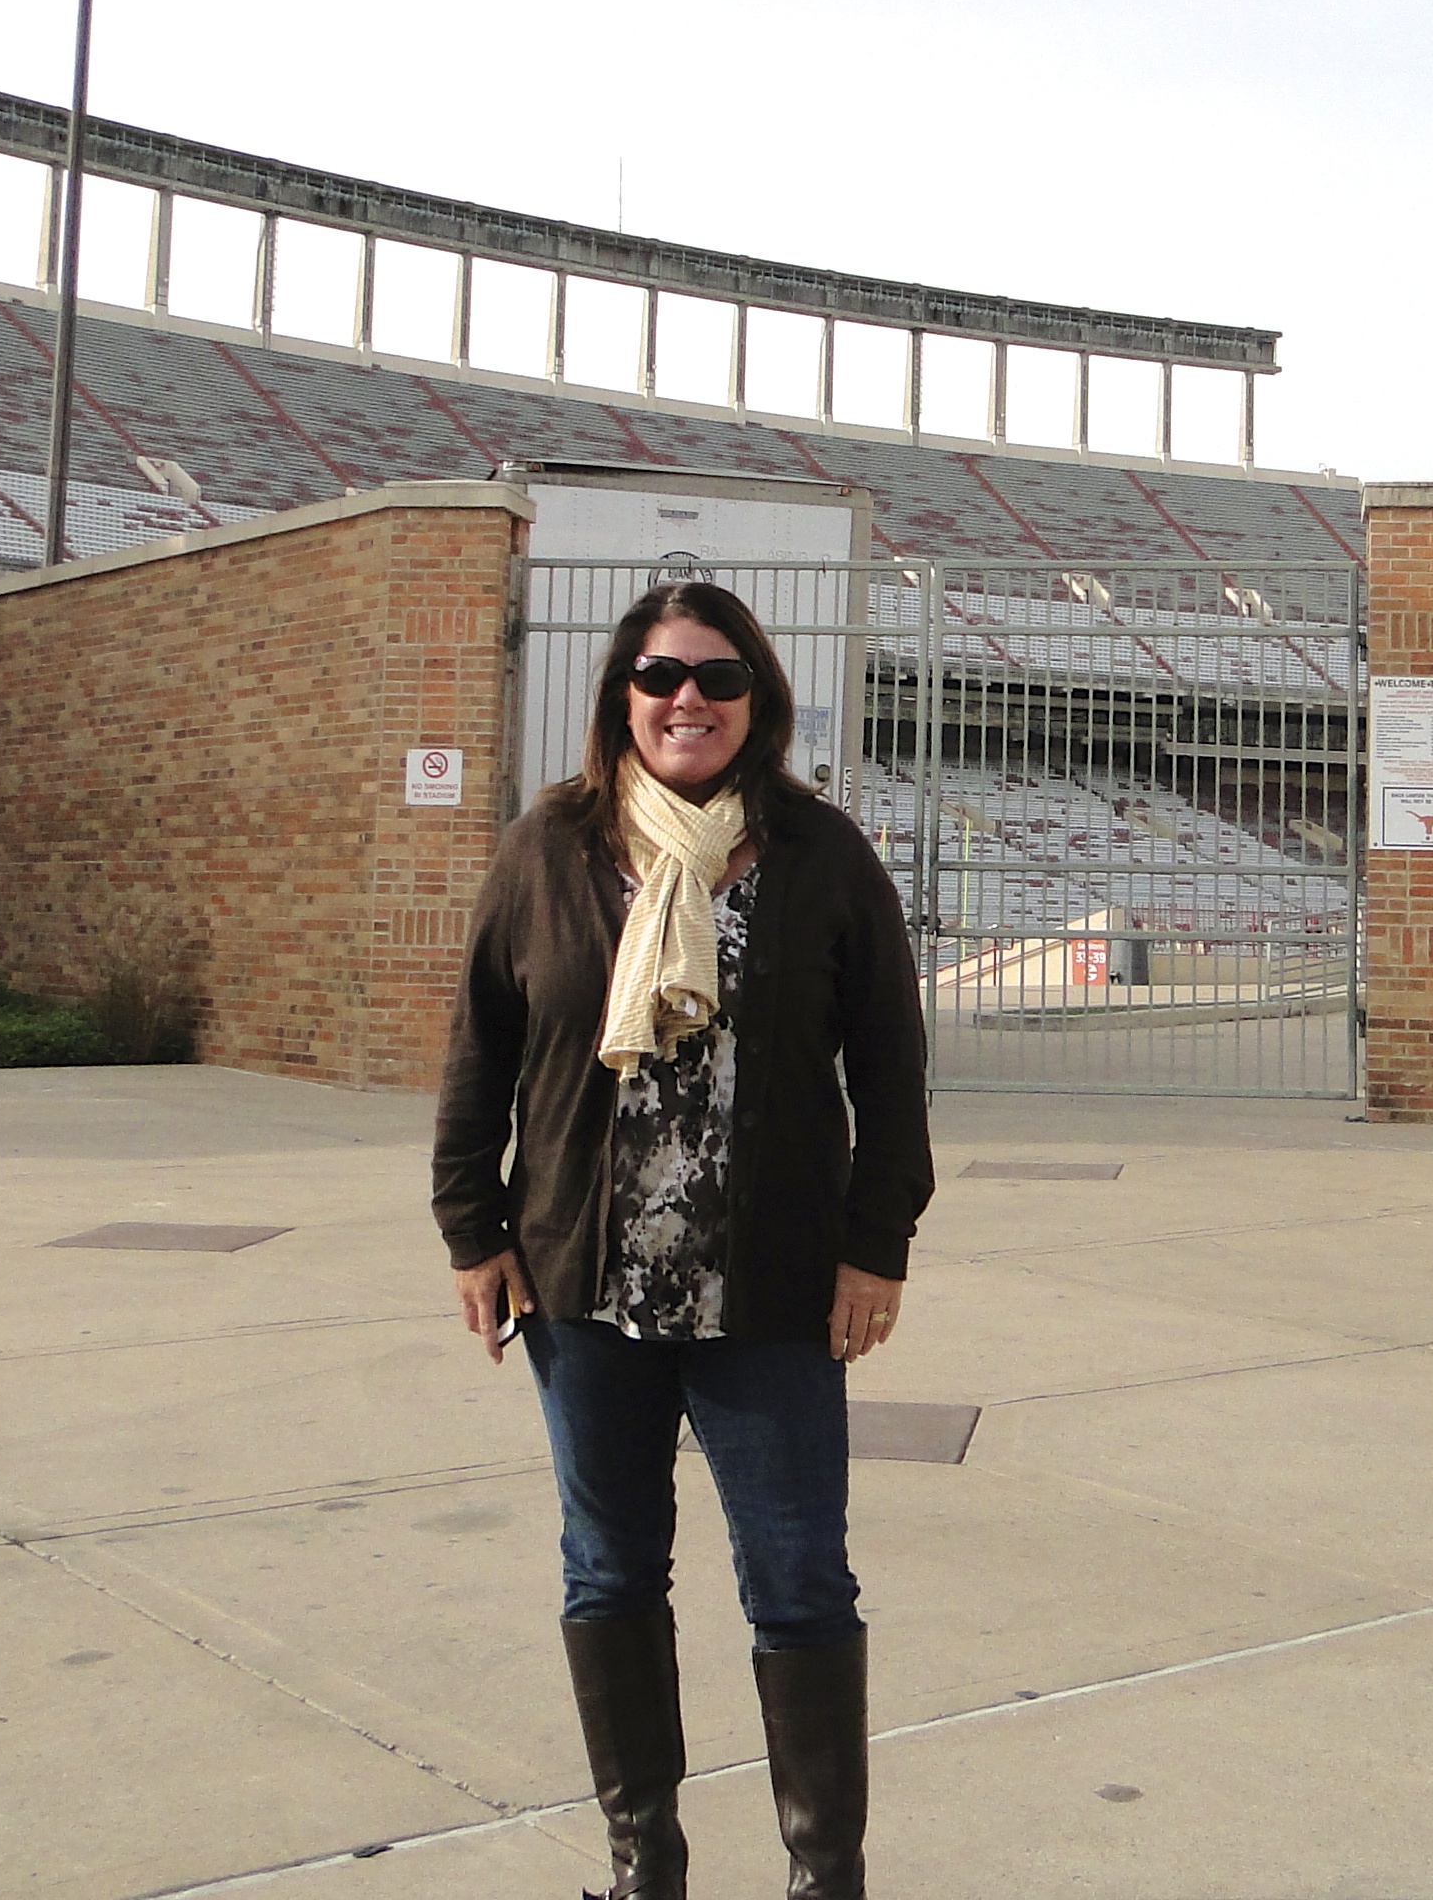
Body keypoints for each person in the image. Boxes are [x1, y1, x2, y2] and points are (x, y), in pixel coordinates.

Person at [434, 581, 933, 1900]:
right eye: (660, 676)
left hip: (769, 1293)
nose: (688, 700)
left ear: (757, 699)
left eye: (718, 677)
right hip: (585, 1287)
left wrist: (876, 1246)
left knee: (800, 1582)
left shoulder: (821, 854)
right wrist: (472, 1230)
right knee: (608, 1572)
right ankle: (643, 1864)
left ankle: (824, 1879)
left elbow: (891, 1068)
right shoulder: (549, 850)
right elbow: (481, 1051)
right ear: (622, 697)